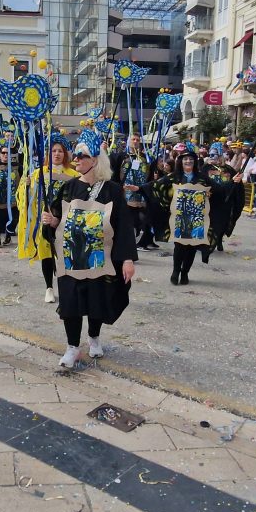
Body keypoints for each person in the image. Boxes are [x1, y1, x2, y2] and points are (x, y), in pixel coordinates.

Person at [41, 132, 136, 368]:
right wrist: (51, 222)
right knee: (71, 303)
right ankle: (72, 347)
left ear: (94, 159)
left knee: (97, 301)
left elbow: (123, 224)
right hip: (72, 259)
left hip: (100, 258)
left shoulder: (112, 190)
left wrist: (127, 259)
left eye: (81, 156)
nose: (76, 160)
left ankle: (94, 337)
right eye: (76, 156)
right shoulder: (69, 187)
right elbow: (58, 220)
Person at [131, 149, 219, 285]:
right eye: (185, 159)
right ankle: (176, 271)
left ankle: (185, 273)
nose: (188, 161)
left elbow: (218, 190)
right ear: (181, 161)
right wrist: (139, 188)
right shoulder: (174, 177)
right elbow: (156, 185)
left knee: (191, 247)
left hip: (197, 218)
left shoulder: (202, 178)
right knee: (179, 245)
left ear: (195, 161)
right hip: (179, 217)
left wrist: (231, 184)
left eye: (191, 159)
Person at [16, 133, 79, 303]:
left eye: (60, 151)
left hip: (65, 221)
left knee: (65, 255)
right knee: (46, 254)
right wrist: (26, 186)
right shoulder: (39, 173)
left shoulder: (74, 174)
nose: (57, 154)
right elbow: (28, 199)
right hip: (44, 220)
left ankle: (66, 286)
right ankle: (49, 287)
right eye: (53, 151)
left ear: (65, 154)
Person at [110, 132, 155, 253]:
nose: (135, 141)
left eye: (137, 140)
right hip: (124, 195)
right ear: (128, 140)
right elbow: (113, 174)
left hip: (140, 195)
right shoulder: (119, 156)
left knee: (142, 220)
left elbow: (149, 175)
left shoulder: (144, 157)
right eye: (133, 139)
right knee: (126, 222)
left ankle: (140, 243)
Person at [0, 147, 19, 247]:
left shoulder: (16, 166)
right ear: (0, 155)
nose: (5, 154)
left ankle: (8, 237)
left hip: (12, 200)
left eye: (8, 153)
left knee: (11, 220)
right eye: (3, 153)